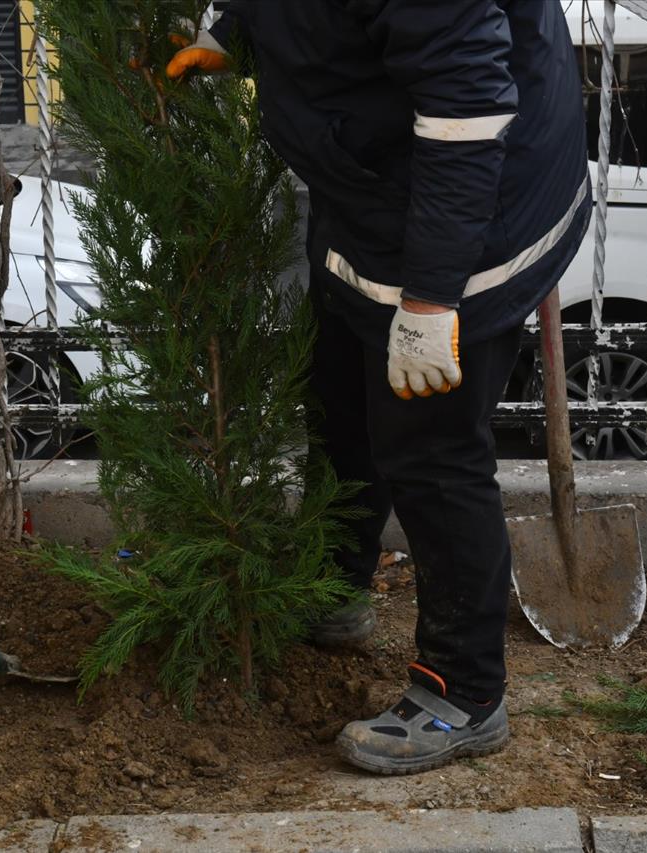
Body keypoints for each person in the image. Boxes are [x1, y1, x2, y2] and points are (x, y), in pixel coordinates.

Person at [169, 1, 589, 775]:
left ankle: (464, 693)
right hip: (372, 176)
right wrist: (236, 30)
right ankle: (335, 585)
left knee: (429, 448)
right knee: (338, 385)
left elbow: (466, 105)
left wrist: (431, 300)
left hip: (472, 203)